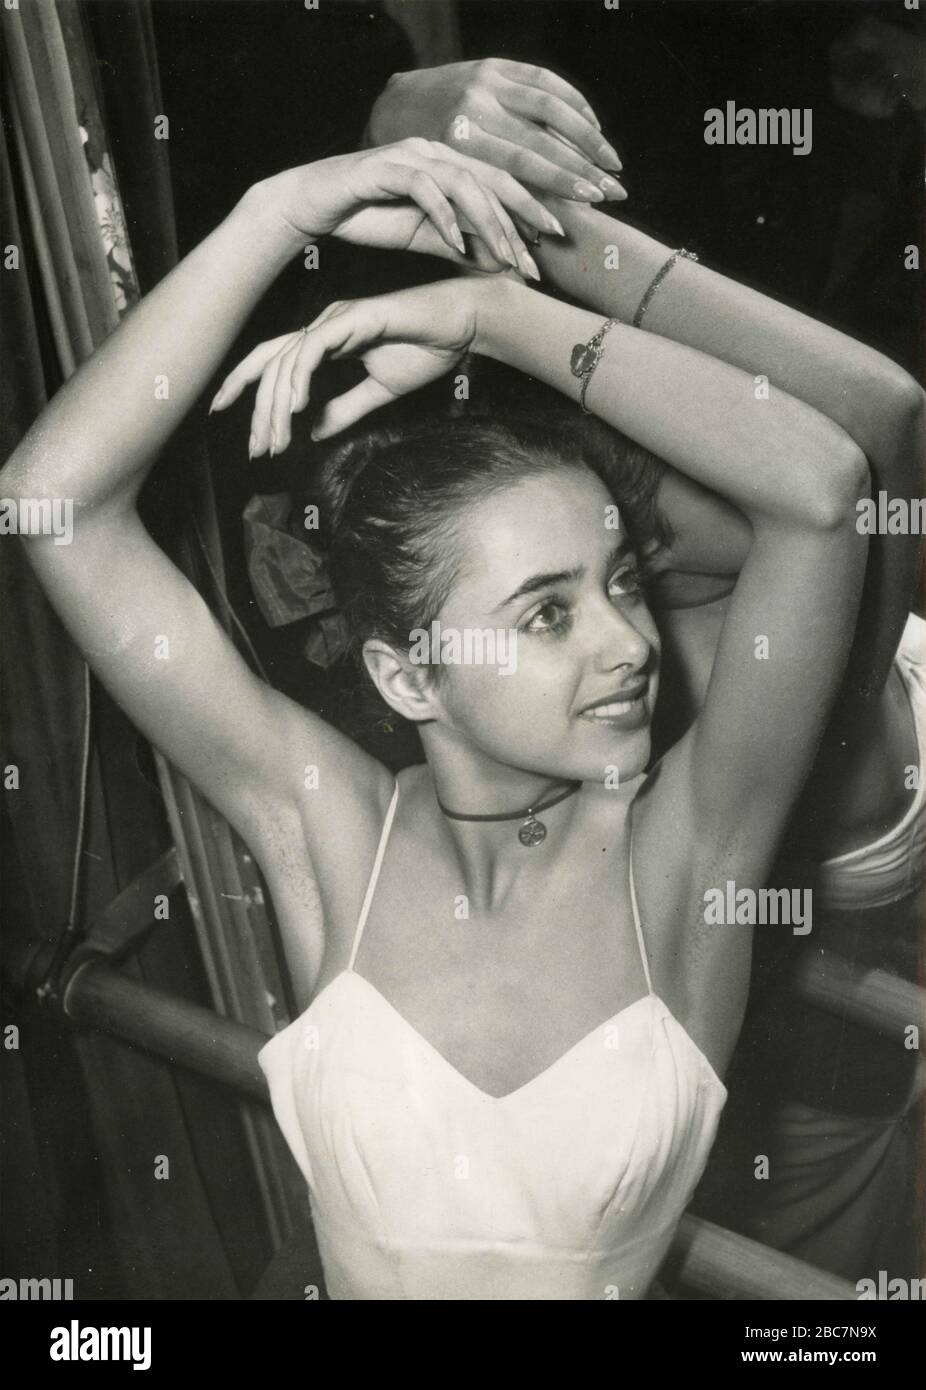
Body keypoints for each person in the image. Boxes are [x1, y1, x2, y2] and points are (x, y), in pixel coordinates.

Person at [3, 133, 870, 1300]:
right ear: (410, 678)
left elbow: (821, 491)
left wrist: (496, 317)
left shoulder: (687, 850)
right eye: (546, 615)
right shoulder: (327, 833)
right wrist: (279, 205)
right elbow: (51, 505)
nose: (630, 641)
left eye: (619, 583)